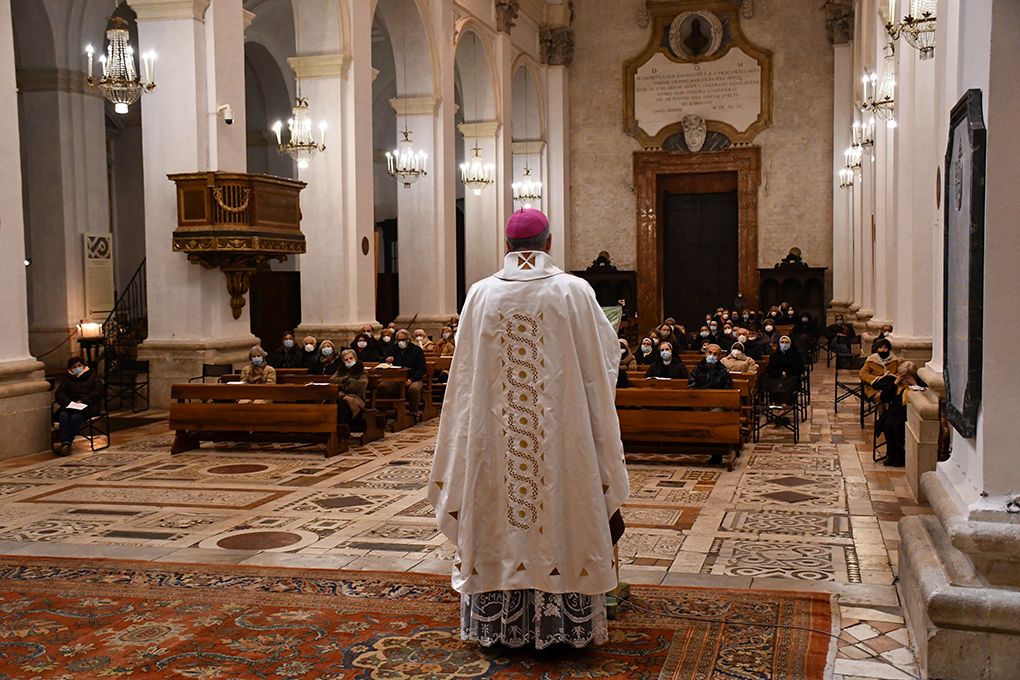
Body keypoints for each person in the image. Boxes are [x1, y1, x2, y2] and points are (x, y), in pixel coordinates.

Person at [429, 208, 628, 650]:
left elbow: (462, 380)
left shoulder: (480, 295)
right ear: (549, 243)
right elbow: (604, 359)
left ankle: (497, 625)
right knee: (563, 514)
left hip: (492, 440)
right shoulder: (574, 292)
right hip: (562, 439)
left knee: (497, 513)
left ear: (507, 245)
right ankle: (563, 626)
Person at [876, 362, 926, 467]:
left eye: (906, 377)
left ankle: (899, 455)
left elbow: (924, 397)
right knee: (888, 424)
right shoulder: (895, 384)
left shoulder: (920, 385)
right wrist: (895, 383)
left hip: (908, 412)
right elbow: (884, 397)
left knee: (898, 426)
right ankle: (891, 454)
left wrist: (914, 384)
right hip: (894, 411)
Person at [53, 356, 103, 456]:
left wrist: (84, 400)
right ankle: (66, 444)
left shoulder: (92, 376)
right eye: (74, 367)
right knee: (63, 415)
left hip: (88, 406)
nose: (77, 368)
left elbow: (99, 391)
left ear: (84, 366)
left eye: (79, 365)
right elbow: (59, 393)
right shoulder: (67, 378)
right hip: (70, 405)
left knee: (76, 417)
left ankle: (66, 443)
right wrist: (68, 402)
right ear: (70, 369)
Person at [386, 329, 427, 414]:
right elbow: (383, 363)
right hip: (396, 378)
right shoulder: (392, 349)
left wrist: (411, 379)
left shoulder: (416, 350)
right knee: (383, 386)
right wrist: (387, 361)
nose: (401, 342)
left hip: (414, 378)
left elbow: (422, 369)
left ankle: (413, 412)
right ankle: (383, 411)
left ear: (408, 339)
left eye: (403, 340)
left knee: (413, 389)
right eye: (399, 340)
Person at [331, 349, 369, 424]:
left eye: (351, 358)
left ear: (355, 359)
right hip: (341, 395)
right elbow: (332, 380)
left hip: (356, 397)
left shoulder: (361, 370)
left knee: (344, 402)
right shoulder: (341, 370)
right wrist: (344, 379)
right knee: (331, 401)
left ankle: (343, 427)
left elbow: (361, 385)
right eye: (346, 359)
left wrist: (343, 387)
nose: (349, 361)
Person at [860, 338, 900, 402]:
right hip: (874, 387)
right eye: (880, 348)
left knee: (896, 395)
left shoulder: (895, 361)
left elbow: (900, 373)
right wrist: (877, 378)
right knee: (881, 397)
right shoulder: (871, 360)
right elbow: (863, 374)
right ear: (877, 349)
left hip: (892, 385)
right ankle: (884, 410)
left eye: (885, 348)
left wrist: (892, 375)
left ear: (889, 349)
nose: (882, 350)